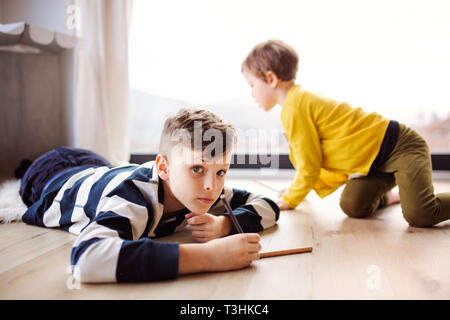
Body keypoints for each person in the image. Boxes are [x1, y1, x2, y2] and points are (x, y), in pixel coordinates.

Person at [18, 108, 280, 283]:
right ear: (164, 168)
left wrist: (224, 225)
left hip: (98, 165)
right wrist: (211, 256)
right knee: (23, 172)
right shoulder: (133, 197)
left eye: (221, 171)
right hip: (52, 174)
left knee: (106, 168)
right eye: (197, 168)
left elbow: (269, 205)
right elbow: (86, 259)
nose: (212, 186)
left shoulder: (207, 189)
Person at [241, 39, 450, 227]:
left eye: (252, 85)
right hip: (373, 162)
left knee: (421, 214)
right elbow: (312, 159)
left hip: (401, 147)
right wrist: (296, 190)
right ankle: (391, 196)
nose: (251, 93)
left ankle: (408, 188)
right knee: (353, 206)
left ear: (271, 79)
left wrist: (292, 198)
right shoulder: (296, 103)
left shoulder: (295, 107)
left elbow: (309, 165)